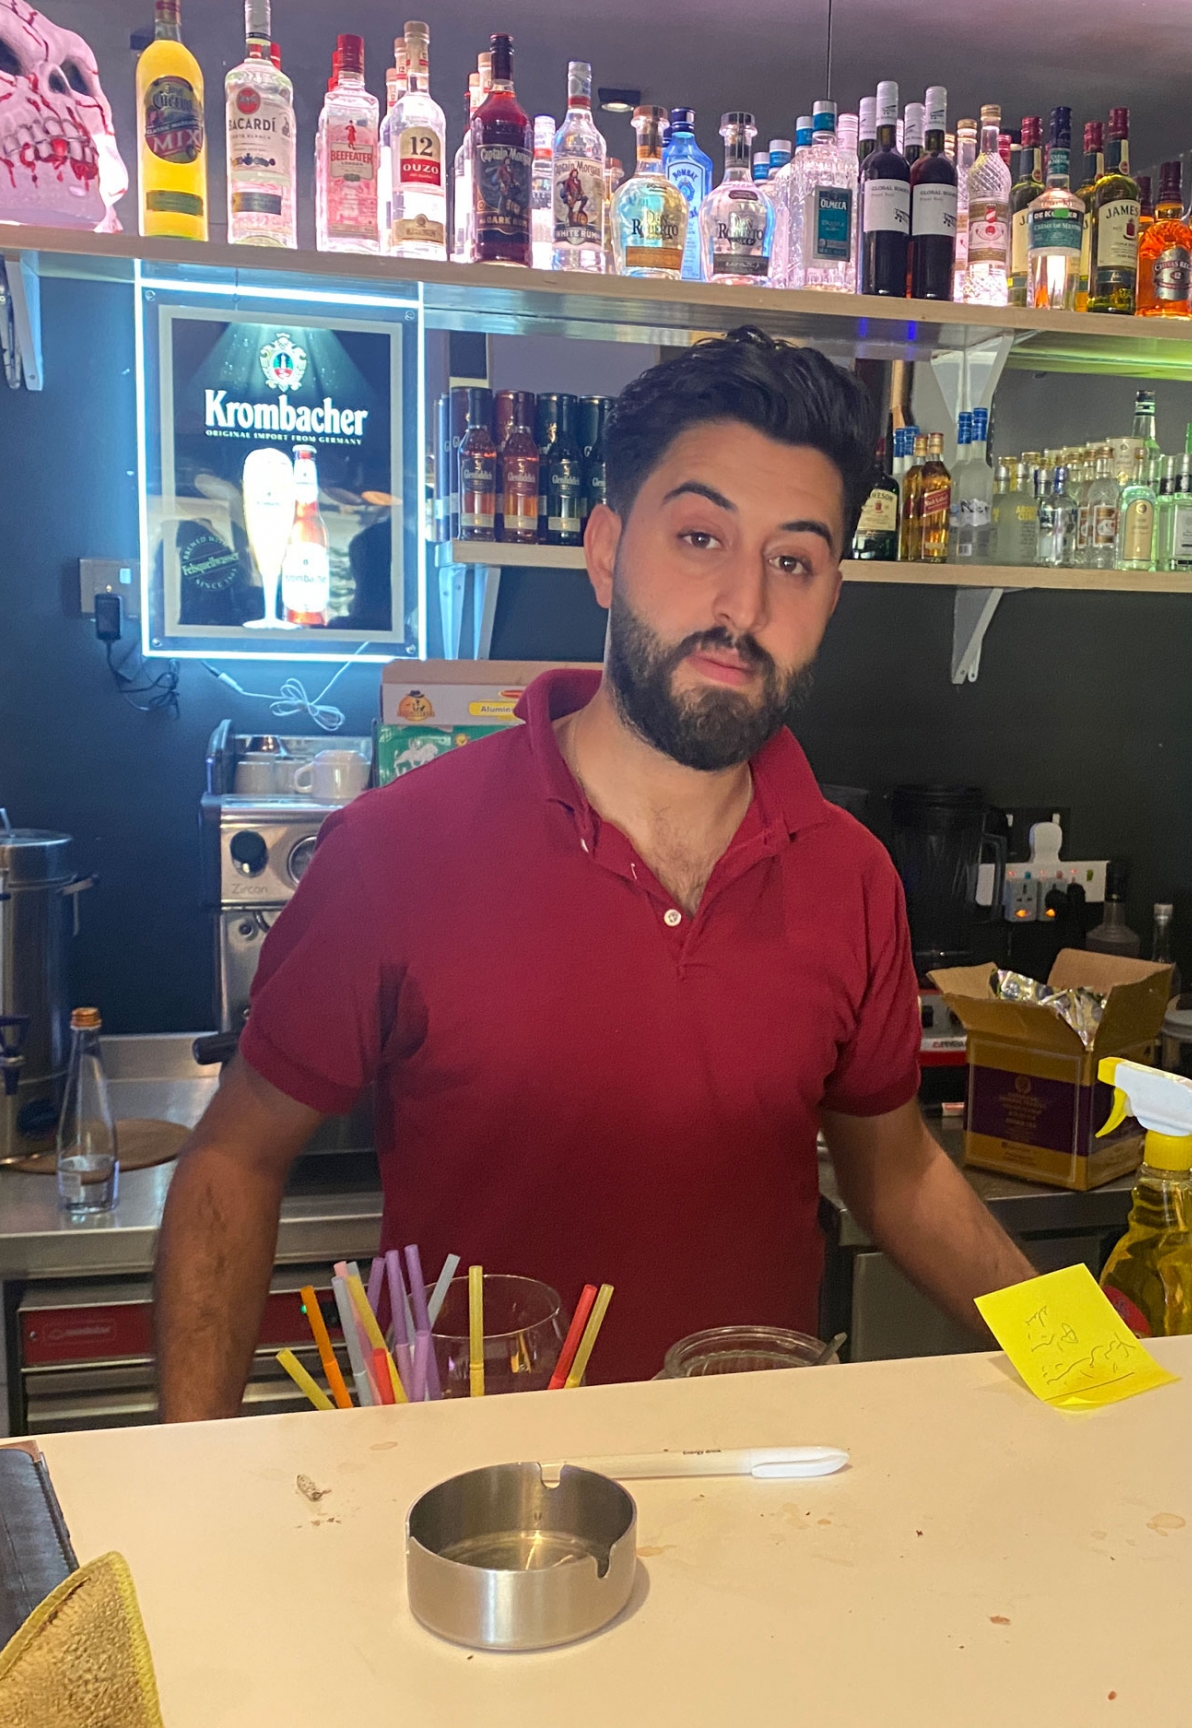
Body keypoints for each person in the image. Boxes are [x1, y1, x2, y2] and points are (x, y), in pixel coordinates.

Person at [155, 327, 1032, 1415]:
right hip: (476, 1517)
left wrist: (1091, 1362)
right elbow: (232, 1163)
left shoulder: (852, 877)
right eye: (701, 537)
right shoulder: (397, 851)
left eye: (793, 561)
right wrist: (191, 1470)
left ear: (832, 596)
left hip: (757, 1497)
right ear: (607, 550)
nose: (744, 608)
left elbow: (896, 1173)